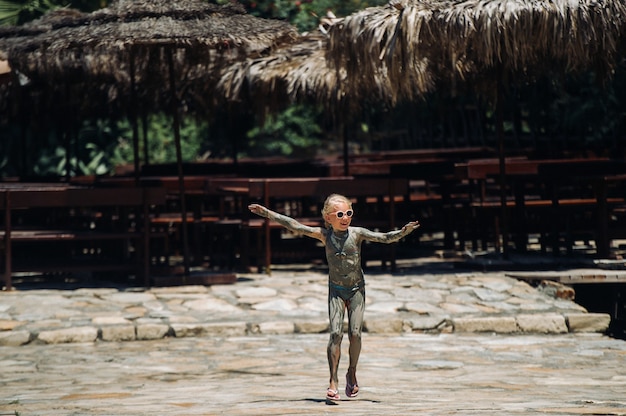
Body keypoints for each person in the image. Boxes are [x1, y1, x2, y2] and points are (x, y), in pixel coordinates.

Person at [248, 193, 421, 402]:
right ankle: (333, 381)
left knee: (355, 334)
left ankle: (352, 372)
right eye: (339, 214)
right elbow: (294, 225)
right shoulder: (324, 235)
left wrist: (403, 232)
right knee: (336, 333)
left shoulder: (357, 234)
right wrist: (267, 213)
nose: (345, 217)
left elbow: (384, 238)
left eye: (349, 213)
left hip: (356, 289)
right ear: (328, 217)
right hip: (336, 290)